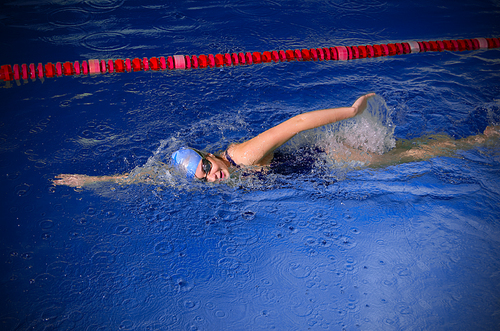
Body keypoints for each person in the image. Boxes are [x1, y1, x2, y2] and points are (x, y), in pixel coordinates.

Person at [53, 93, 499, 187]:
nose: (213, 175)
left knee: (411, 156)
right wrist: (95, 180)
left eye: (207, 165)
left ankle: (482, 141)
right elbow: (150, 177)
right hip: (321, 163)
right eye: (204, 177)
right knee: (408, 152)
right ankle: (475, 137)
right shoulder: (217, 174)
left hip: (336, 157)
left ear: (210, 154)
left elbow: (296, 122)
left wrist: (350, 112)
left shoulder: (242, 155)